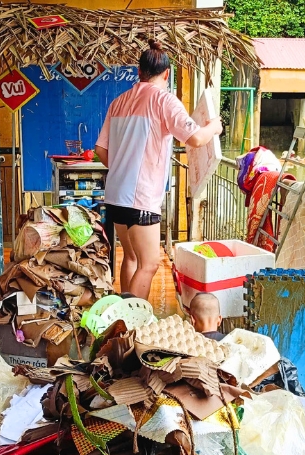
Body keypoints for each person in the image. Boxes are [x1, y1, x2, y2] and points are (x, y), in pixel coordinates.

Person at [95, 40, 222, 300]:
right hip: (141, 196)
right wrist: (214, 127)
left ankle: (123, 317)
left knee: (130, 257)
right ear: (166, 74)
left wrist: (121, 168)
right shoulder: (165, 101)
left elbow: (100, 149)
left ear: (139, 72)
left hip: (116, 193)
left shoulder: (118, 102)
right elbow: (196, 138)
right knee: (149, 263)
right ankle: (133, 318)